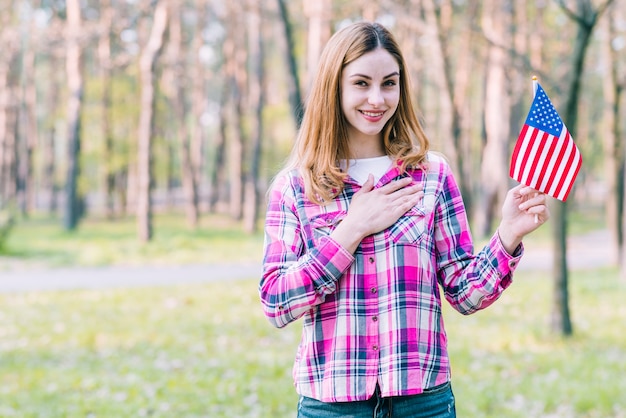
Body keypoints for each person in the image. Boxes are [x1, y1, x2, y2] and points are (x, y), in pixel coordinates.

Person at [259, 21, 549, 418]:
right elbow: (276, 303)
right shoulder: (295, 187)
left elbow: (464, 293)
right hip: (332, 405)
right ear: (335, 88)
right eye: (361, 83)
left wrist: (508, 235)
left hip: (424, 402)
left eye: (389, 83)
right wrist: (350, 230)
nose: (377, 98)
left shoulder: (431, 176)